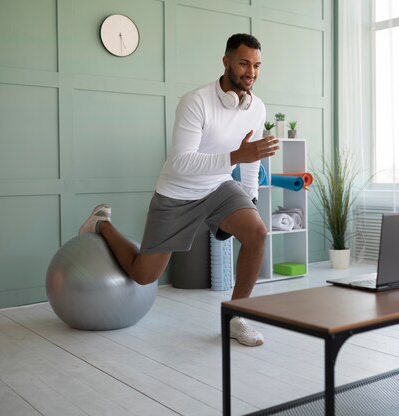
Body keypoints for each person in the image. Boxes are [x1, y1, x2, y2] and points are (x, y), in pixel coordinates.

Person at [78, 33, 279, 347]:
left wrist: (249, 196)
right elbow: (182, 162)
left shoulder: (257, 108)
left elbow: (251, 158)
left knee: (257, 233)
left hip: (219, 187)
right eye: (243, 63)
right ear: (226, 62)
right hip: (178, 192)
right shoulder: (195, 101)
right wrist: (237, 157)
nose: (250, 72)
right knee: (143, 275)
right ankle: (101, 224)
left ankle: (237, 318)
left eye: (256, 65)